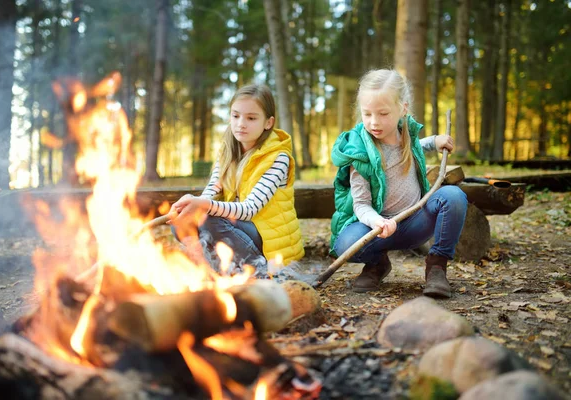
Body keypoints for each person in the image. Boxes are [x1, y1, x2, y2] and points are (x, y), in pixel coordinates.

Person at [330, 69, 468, 298]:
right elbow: (361, 204)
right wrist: (377, 222)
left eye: (383, 113)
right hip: (376, 228)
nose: (374, 122)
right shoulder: (360, 153)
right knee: (344, 244)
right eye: (367, 114)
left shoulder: (407, 135)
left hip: (415, 221)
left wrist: (435, 141)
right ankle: (377, 264)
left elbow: (414, 146)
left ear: (402, 109)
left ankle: (436, 266)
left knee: (453, 197)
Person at [168, 83, 304, 273]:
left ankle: (257, 270)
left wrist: (203, 206)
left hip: (267, 243)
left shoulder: (279, 158)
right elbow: (211, 192)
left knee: (210, 219)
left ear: (268, 122)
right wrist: (192, 205)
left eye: (251, 118)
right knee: (183, 220)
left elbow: (248, 210)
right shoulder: (227, 151)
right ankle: (210, 267)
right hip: (239, 231)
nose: (241, 123)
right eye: (236, 115)